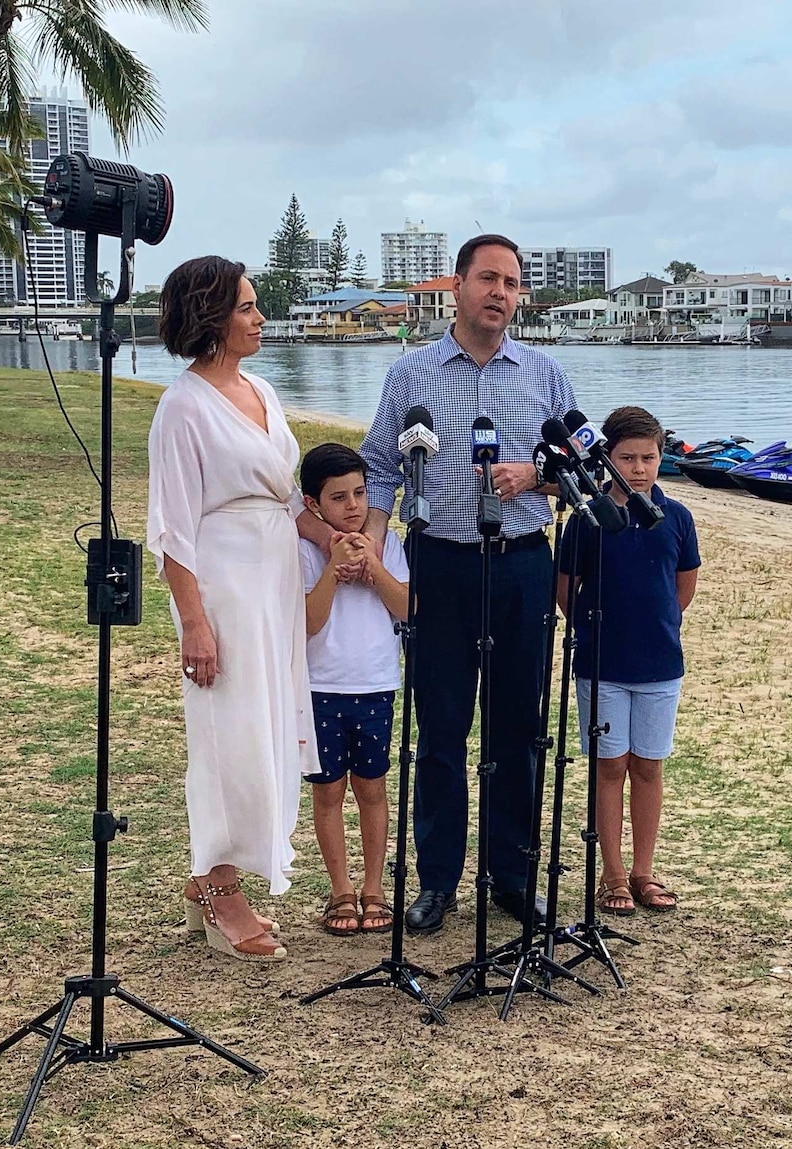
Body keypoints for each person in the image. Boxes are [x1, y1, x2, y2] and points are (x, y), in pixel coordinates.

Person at [301, 234, 576, 935]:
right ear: (457, 285)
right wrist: (376, 547)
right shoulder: (411, 373)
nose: (501, 293)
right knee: (440, 728)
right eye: (488, 278)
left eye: (513, 283)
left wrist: (531, 475)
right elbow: (381, 465)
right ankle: (437, 882)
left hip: (521, 563)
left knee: (518, 728)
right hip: (439, 565)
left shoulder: (544, 373)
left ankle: (512, 876)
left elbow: (574, 468)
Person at [147, 255, 320, 961]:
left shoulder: (265, 391)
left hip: (273, 581)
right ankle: (219, 884)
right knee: (226, 731)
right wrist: (194, 620)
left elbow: (285, 497)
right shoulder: (182, 406)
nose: (259, 317)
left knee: (267, 727)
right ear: (211, 318)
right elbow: (172, 527)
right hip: (222, 584)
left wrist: (338, 535)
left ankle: (212, 876)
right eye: (247, 307)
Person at [557, 406, 700, 916]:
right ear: (606, 458)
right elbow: (566, 589)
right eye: (627, 458)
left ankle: (644, 871)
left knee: (648, 765)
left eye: (648, 458)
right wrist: (597, 628)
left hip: (660, 664)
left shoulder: (677, 518)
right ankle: (611, 873)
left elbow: (683, 585)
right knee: (609, 764)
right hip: (602, 664)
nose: (638, 468)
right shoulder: (588, 519)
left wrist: (655, 625)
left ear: (661, 458)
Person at [298, 444, 409, 935]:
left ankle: (373, 887)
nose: (353, 506)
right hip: (320, 685)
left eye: (360, 493)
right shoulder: (301, 549)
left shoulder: (388, 544)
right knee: (328, 791)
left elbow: (407, 608)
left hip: (376, 683)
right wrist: (332, 572)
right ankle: (339, 888)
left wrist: (373, 569)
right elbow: (308, 621)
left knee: (372, 788)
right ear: (313, 503)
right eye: (338, 497)